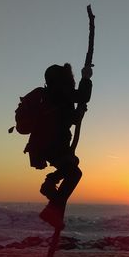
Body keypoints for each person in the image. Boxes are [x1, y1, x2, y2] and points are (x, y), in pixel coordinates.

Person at [24, 63, 92, 229]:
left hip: (47, 144)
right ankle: (52, 208)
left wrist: (79, 113)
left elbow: (68, 118)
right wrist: (86, 78)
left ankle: (50, 186)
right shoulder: (60, 91)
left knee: (72, 165)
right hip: (52, 143)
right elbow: (82, 96)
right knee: (74, 173)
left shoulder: (52, 94)